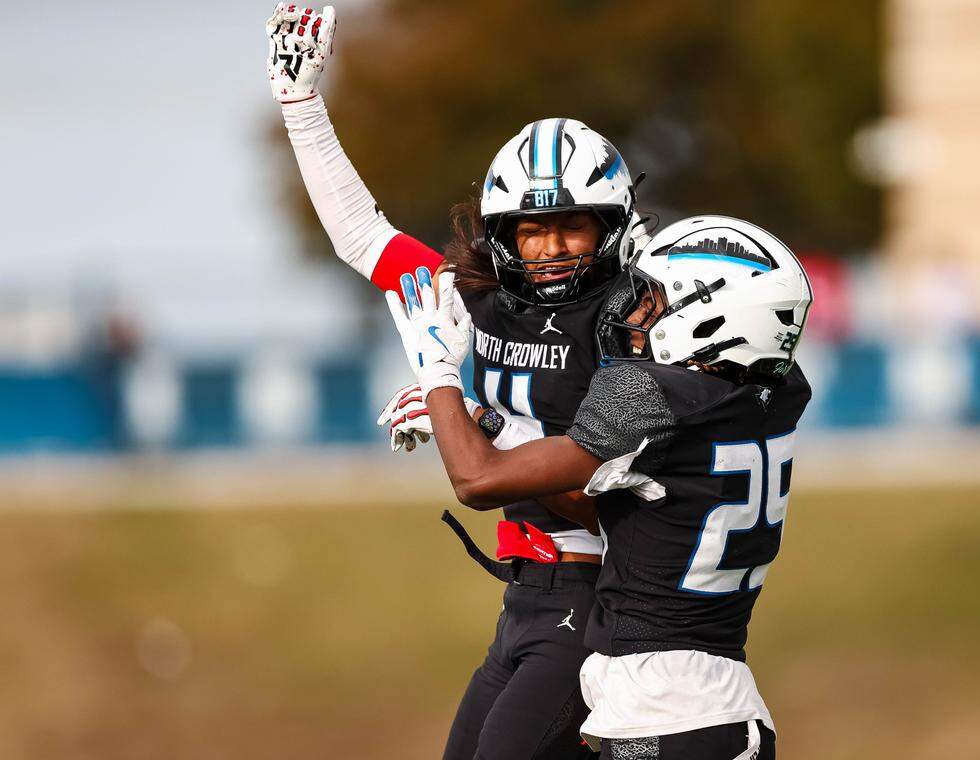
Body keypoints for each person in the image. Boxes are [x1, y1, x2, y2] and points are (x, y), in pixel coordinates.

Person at [265, 5, 650, 757]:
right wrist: (301, 107)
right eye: (532, 230)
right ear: (502, 234)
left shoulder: (632, 328)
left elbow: (615, 516)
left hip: (594, 596)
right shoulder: (476, 299)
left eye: (572, 226)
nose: (550, 249)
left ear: (612, 226)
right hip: (524, 597)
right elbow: (366, 238)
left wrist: (483, 423)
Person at [390, 216, 813, 760]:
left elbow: (478, 480)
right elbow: (602, 503)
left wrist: (437, 375)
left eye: (655, 299)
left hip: (668, 710)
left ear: (712, 314)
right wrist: (482, 419)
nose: (633, 312)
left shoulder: (659, 396)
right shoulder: (770, 395)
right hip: (697, 704)